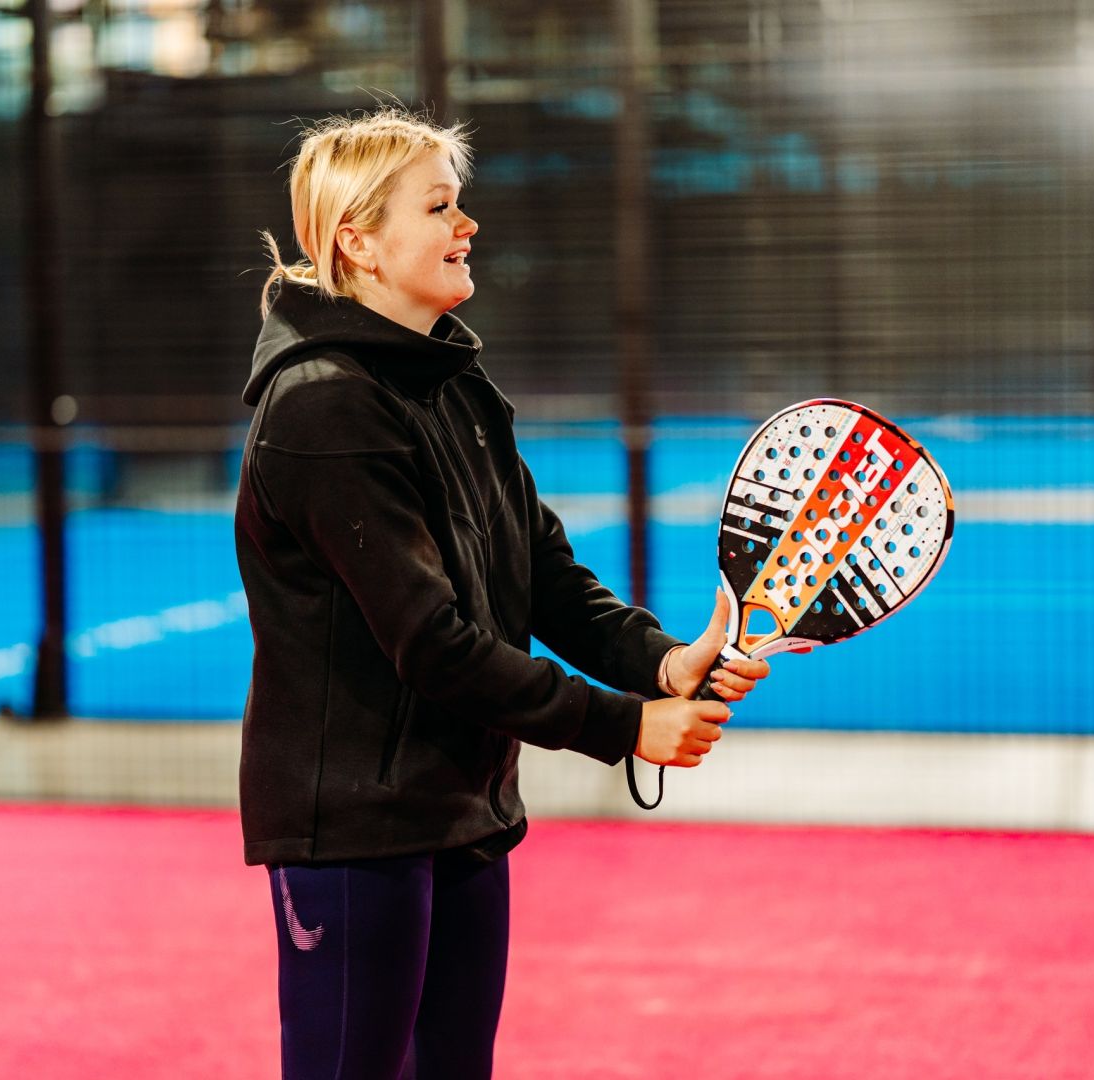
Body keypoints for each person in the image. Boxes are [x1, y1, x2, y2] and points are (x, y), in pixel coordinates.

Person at [233, 108, 772, 1080]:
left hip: (464, 814)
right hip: (353, 830)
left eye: (460, 203)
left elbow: (544, 576)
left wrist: (660, 663)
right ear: (358, 242)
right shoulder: (324, 405)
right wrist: (624, 726)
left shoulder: (457, 386)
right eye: (438, 206)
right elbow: (432, 642)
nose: (467, 224)